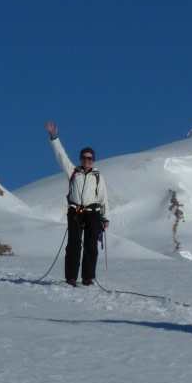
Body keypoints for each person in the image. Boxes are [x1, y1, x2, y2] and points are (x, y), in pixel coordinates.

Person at [47, 121, 110, 286]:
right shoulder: (73, 172)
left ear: (93, 160)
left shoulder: (98, 176)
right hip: (75, 212)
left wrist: (106, 218)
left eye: (90, 158)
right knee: (74, 245)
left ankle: (88, 278)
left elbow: (103, 198)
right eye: (84, 157)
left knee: (91, 246)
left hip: (93, 212)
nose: (86, 160)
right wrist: (54, 136)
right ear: (81, 158)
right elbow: (61, 155)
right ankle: (71, 278)